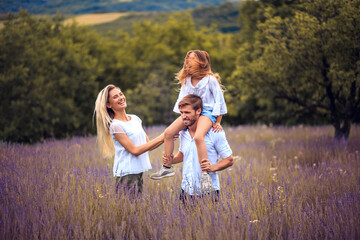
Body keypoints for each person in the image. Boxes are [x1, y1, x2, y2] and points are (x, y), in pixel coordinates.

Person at [151, 50, 228, 193]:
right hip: (190, 112)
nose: (188, 61)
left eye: (192, 58)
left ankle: (205, 175)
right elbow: (182, 100)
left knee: (199, 137)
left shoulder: (210, 79)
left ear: (202, 61)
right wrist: (181, 123)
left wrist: (217, 121)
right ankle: (167, 168)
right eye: (188, 58)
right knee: (168, 133)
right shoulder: (187, 79)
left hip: (207, 113)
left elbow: (219, 100)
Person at [94, 84, 165, 195]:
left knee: (136, 209)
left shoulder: (135, 119)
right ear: (108, 104)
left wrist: (166, 138)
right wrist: (163, 137)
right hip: (127, 174)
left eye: (121, 94)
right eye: (115, 97)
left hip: (138, 171)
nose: (121, 97)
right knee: (129, 209)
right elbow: (135, 151)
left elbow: (148, 145)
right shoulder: (116, 126)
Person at [162, 94, 233, 201]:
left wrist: (211, 168)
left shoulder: (215, 132)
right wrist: (171, 160)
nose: (183, 116)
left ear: (198, 111)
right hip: (186, 191)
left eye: (187, 112)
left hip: (208, 192)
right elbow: (183, 154)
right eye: (181, 113)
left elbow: (229, 160)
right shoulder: (183, 133)